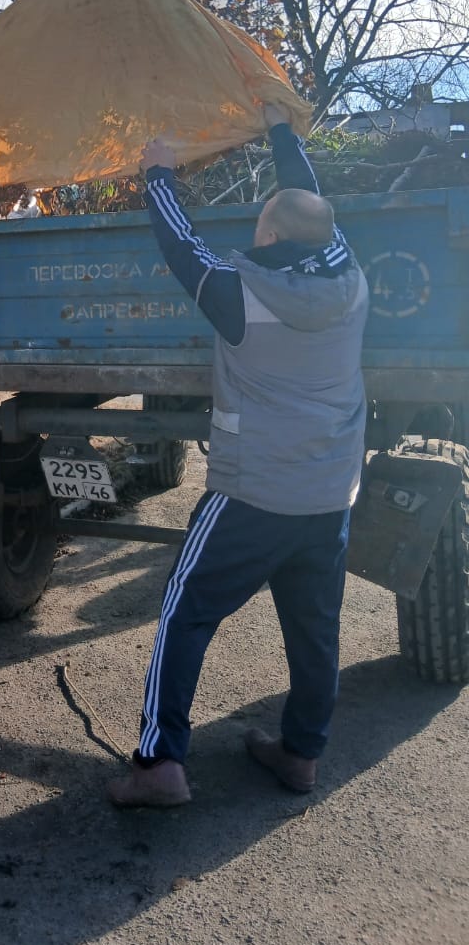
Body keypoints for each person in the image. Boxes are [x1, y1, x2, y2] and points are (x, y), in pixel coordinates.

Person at [107, 104, 369, 808]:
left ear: (275, 233)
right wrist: (282, 134)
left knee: (184, 611)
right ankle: (302, 756)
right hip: (329, 494)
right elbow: (309, 206)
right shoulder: (350, 278)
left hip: (253, 494)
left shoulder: (238, 292)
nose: (254, 227)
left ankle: (159, 764)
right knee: (316, 630)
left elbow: (179, 242)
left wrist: (156, 174)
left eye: (262, 221)